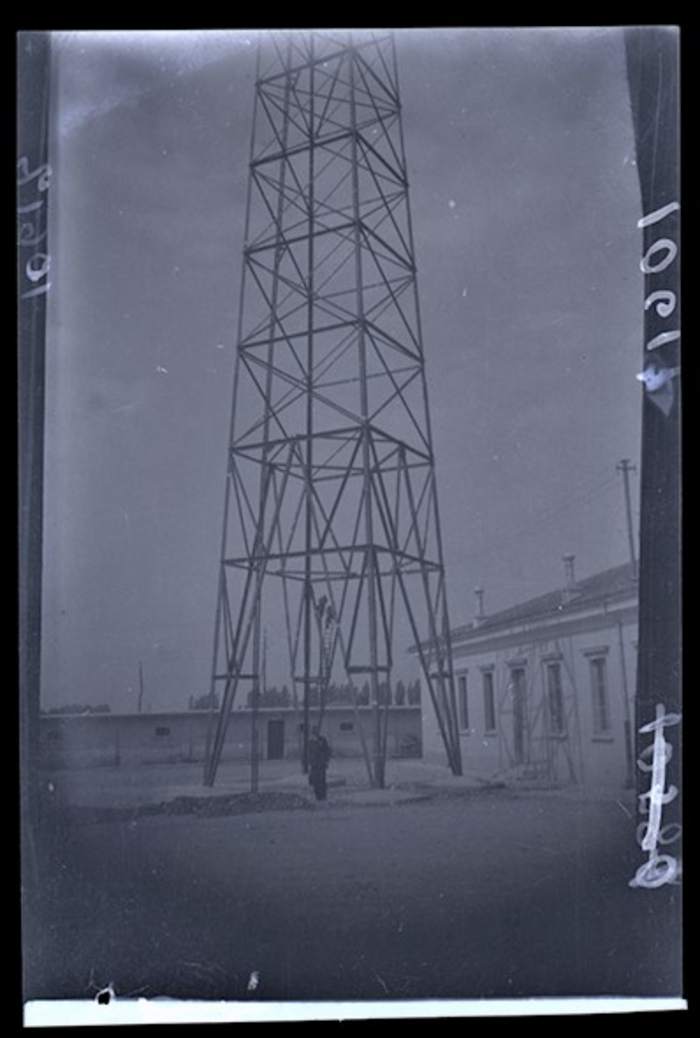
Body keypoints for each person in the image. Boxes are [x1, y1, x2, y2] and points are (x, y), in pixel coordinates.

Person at [308, 726, 331, 801]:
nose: (315, 732)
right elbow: (309, 753)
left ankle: (323, 796)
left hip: (321, 764)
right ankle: (317, 796)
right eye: (314, 731)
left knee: (322, 780)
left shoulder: (322, 740)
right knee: (315, 781)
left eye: (316, 731)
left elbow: (327, 751)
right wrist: (311, 762)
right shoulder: (310, 742)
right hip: (314, 765)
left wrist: (325, 760)